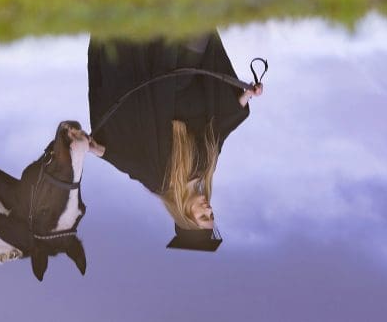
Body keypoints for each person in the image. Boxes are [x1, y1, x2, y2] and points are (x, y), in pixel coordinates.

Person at [87, 32, 265, 250]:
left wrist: (95, 149)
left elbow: (126, 163)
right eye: (211, 214)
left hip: (165, 79)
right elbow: (220, 129)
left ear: (186, 218)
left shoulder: (161, 180)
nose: (208, 209)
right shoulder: (206, 168)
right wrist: (247, 95)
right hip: (193, 79)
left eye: (203, 216)